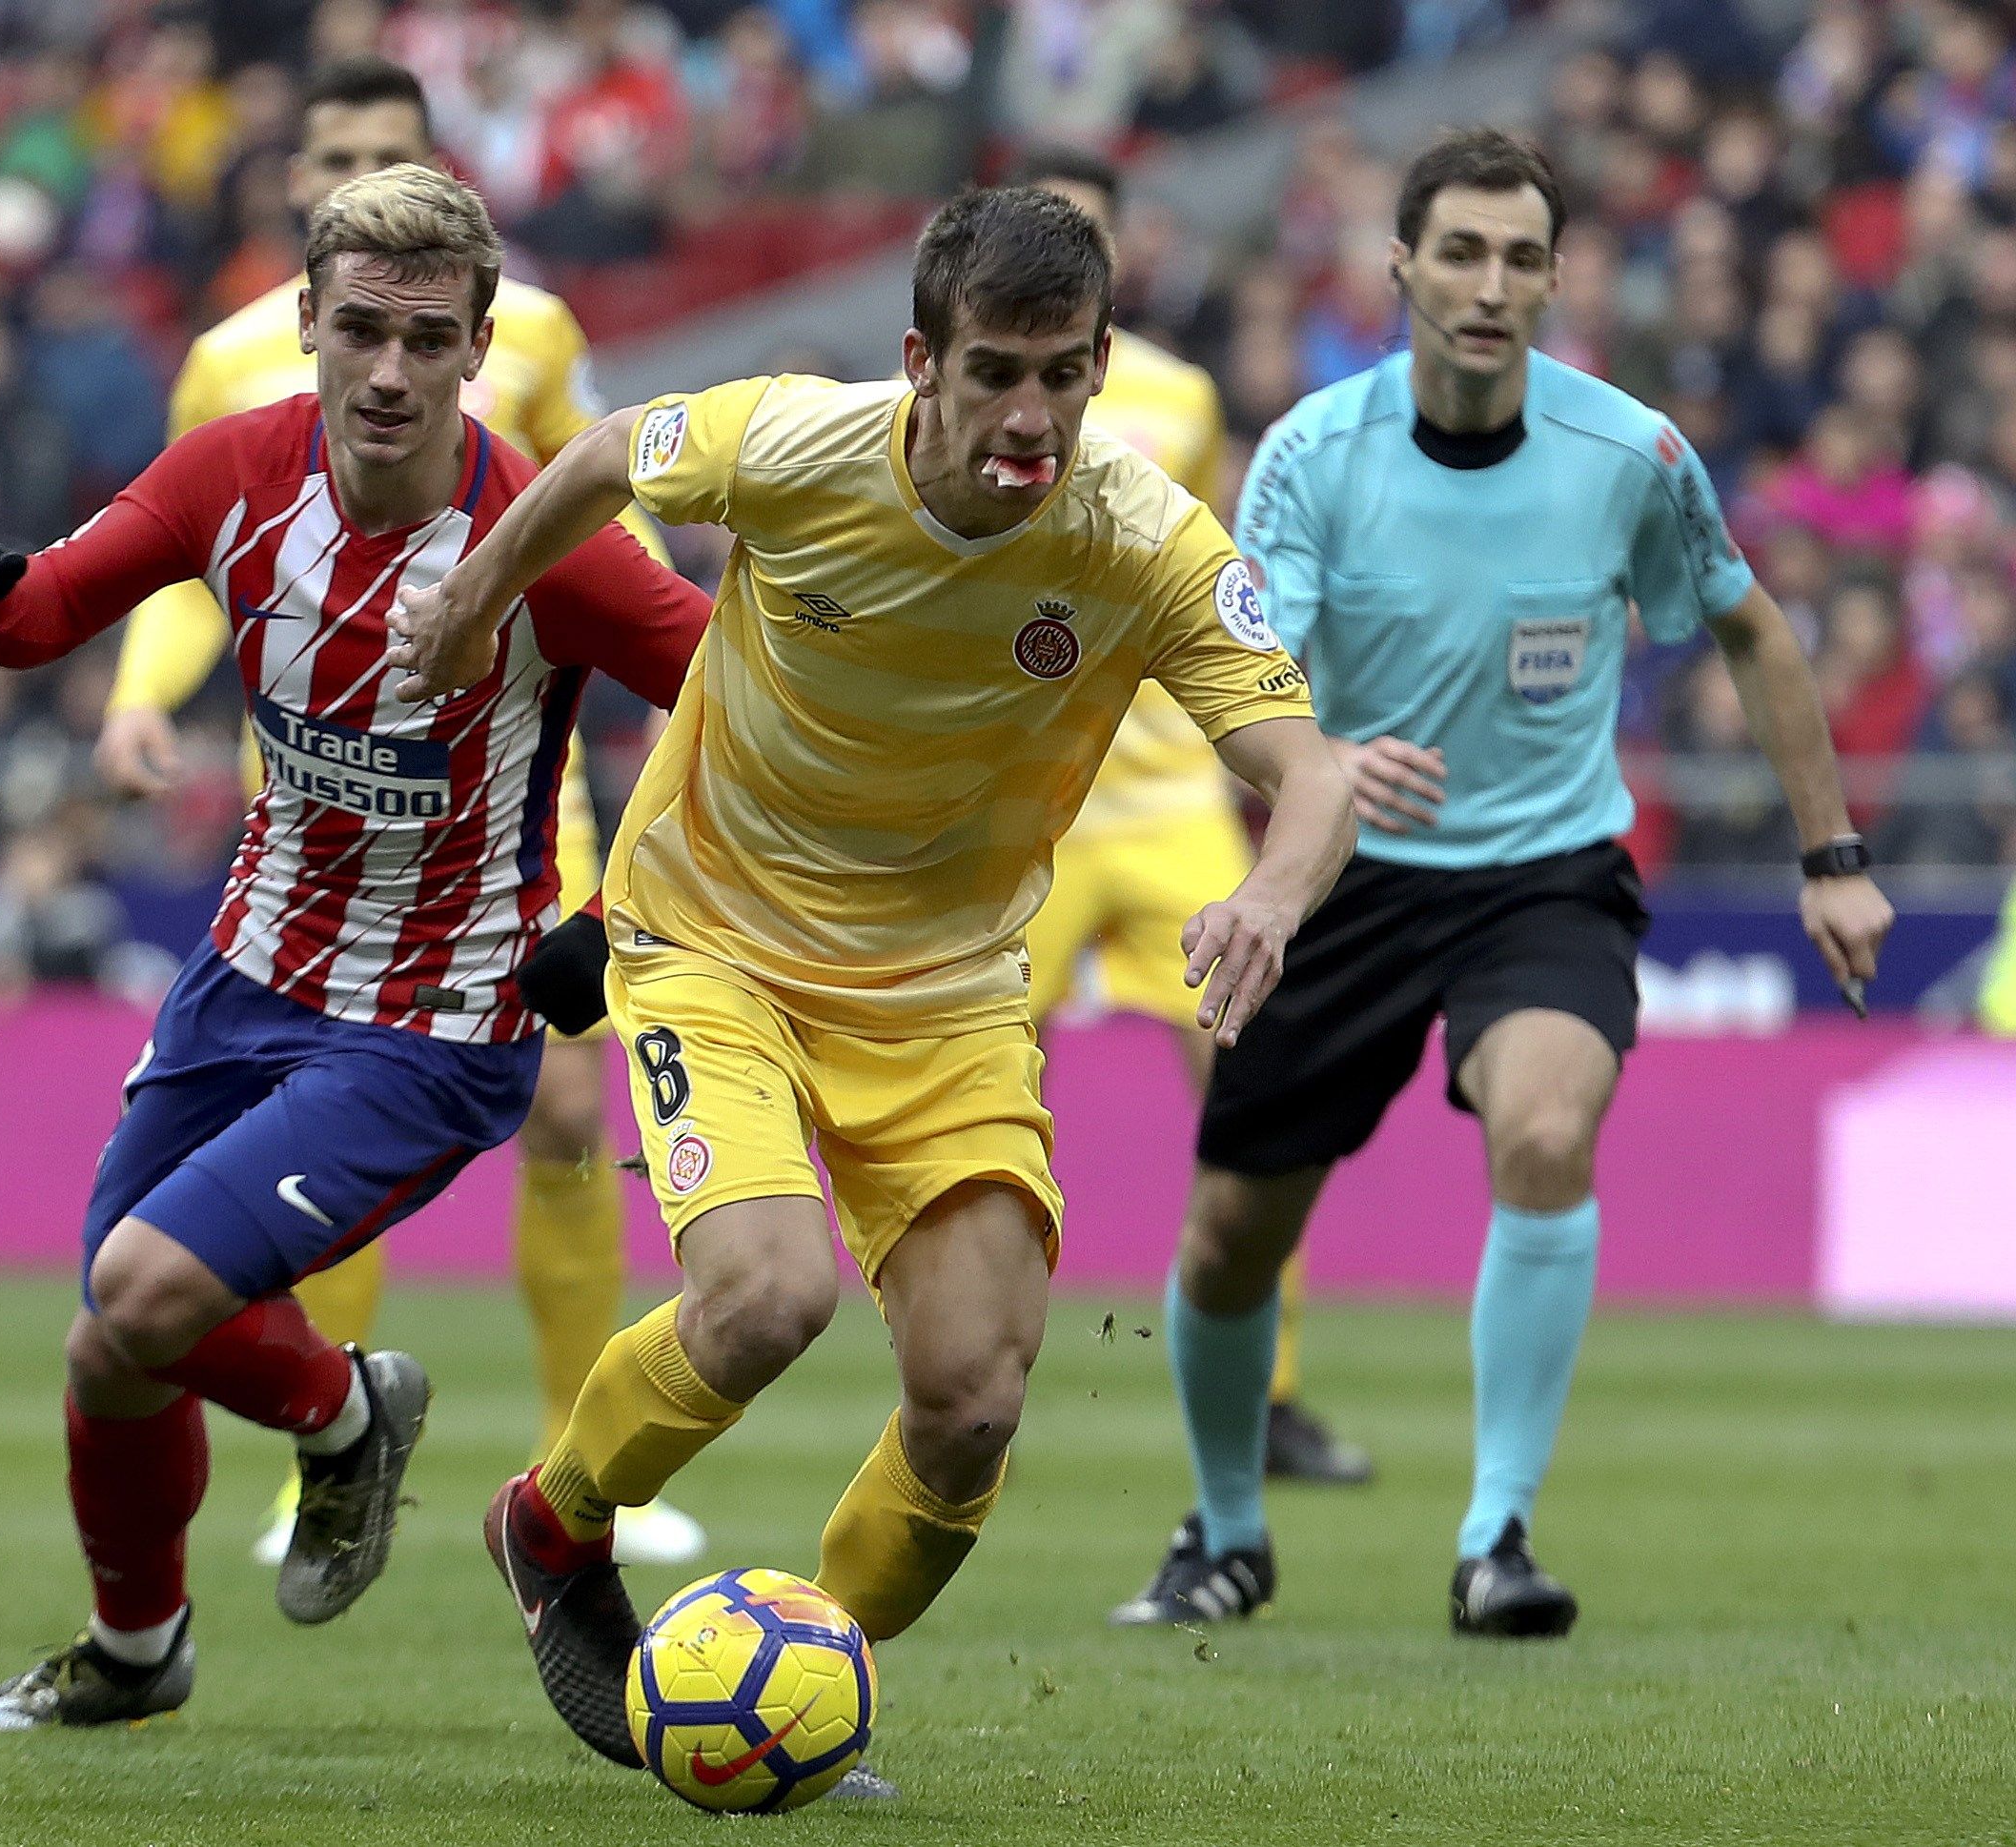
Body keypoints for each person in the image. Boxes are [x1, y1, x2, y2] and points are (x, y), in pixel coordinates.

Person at [387, 184, 1356, 1778]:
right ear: (921, 360)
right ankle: (552, 1525)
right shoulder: (790, 442)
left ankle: (793, 1689)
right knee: (768, 1296)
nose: (1029, 415)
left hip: (947, 992)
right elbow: (601, 454)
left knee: (972, 1399)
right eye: (994, 372)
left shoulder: (1143, 536)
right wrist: (477, 596)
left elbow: (1306, 776)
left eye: (1062, 372)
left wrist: (1266, 889)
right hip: (714, 938)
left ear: (1103, 362)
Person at [0, 165, 708, 1732]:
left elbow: (751, 722)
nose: (391, 373)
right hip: (243, 974)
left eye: (430, 339)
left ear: (484, 345)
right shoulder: (233, 475)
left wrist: (618, 916)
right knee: (111, 1348)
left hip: (429, 1024)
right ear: (305, 325)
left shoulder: (547, 537)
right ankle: (137, 1650)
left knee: (143, 1290)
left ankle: (350, 1408)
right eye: (361, 331)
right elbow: (53, 607)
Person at [1114, 128, 1895, 1638]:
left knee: (1545, 1126)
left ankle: (1495, 1538)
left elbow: (1752, 631)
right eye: (1458, 252)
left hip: (1542, 874)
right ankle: (1222, 1531)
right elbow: (1235, 682)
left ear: (1555, 277)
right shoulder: (1308, 456)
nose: (1488, 284)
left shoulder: (1629, 455)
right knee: (1228, 1239)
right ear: (1400, 266)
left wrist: (1833, 859)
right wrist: (1322, 753)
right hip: (1338, 881)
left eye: (1519, 256)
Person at [91, 56, 707, 1571]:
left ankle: (583, 1463)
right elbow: (178, 553)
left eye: (382, 146)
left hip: (491, 787)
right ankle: (324, 1448)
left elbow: (584, 528)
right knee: (249, 1188)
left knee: (568, 1106)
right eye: (331, 147)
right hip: (296, 812)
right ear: (300, 181)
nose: (350, 162)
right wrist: (136, 694)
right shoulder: (230, 360)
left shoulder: (537, 336)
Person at [1012, 145, 1372, 1491]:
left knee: (1252, 1077)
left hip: (1164, 795)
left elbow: (1213, 582)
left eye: (1087, 238)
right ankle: (972, 1357)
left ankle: (1263, 1390)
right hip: (1022, 808)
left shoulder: (1176, 393)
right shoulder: (963, 387)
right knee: (975, 1087)